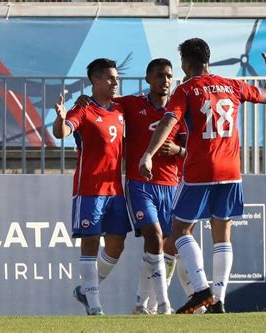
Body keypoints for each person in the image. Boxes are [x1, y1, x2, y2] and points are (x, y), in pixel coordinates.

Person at [139, 38, 266, 314]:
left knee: (180, 230)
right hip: (231, 170)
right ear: (208, 59)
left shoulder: (188, 89)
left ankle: (201, 288)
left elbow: (169, 121)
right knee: (222, 234)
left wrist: (148, 154)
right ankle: (219, 300)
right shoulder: (232, 85)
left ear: (186, 63)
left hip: (201, 169)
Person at [76, 59, 188, 315]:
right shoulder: (131, 104)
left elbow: (192, 150)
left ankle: (138, 303)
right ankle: (163, 304)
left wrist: (179, 150)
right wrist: (84, 99)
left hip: (171, 184)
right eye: (160, 76)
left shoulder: (179, 110)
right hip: (140, 185)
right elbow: (102, 106)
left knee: (164, 246)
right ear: (148, 79)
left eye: (169, 76)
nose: (166, 81)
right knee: (155, 237)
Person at [53, 58, 132, 316]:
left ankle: (86, 289)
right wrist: (61, 119)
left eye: (116, 78)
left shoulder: (121, 109)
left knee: (116, 245)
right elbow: (62, 132)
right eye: (110, 78)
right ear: (95, 81)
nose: (115, 82)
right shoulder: (84, 109)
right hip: (89, 189)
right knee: (90, 245)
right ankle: (95, 306)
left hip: (115, 191)